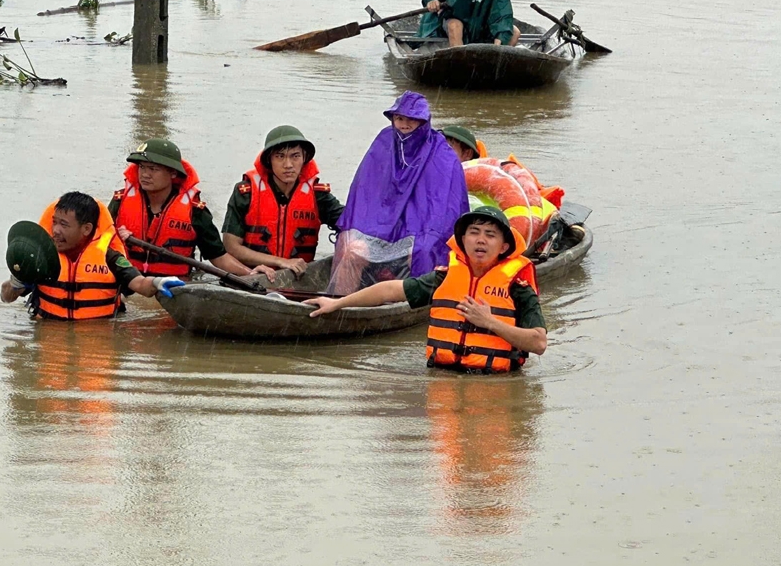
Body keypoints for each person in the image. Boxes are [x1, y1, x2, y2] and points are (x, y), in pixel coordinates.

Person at [306, 206, 546, 373]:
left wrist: (491, 322)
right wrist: (336, 303)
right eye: (474, 233)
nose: (480, 240)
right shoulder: (444, 278)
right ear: (463, 240)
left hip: (497, 386)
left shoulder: (518, 287)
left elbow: (538, 343)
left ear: (504, 247)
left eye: (490, 235)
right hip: (442, 379)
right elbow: (389, 291)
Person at [333, 91, 469, 283]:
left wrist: (421, 235)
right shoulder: (384, 143)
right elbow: (365, 194)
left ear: (423, 121)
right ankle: (339, 304)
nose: (405, 124)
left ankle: (412, 300)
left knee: (424, 251)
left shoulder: (442, 154)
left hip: (419, 230)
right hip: (379, 228)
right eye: (399, 118)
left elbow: (444, 208)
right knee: (350, 248)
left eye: (412, 119)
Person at [0, 191, 186, 320]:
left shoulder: (109, 256)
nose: (55, 230)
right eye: (54, 222)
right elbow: (6, 297)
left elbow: (139, 284)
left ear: (86, 229)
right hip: (48, 333)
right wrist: (18, 281)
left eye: (64, 225)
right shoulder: (40, 256)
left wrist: (157, 283)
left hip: (97, 339)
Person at [108, 138, 273, 280]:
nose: (145, 174)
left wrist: (251, 274)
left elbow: (218, 257)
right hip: (128, 283)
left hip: (173, 287)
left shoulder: (195, 211)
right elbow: (95, 242)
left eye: (153, 169)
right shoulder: (120, 201)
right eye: (142, 167)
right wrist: (116, 238)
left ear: (173, 173)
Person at [222, 126, 344, 276]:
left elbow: (352, 222)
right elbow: (230, 246)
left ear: (304, 158)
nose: (288, 165)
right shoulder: (246, 192)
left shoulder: (318, 195)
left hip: (298, 279)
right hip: (254, 275)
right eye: (280, 156)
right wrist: (279, 261)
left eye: (295, 156)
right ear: (269, 160)